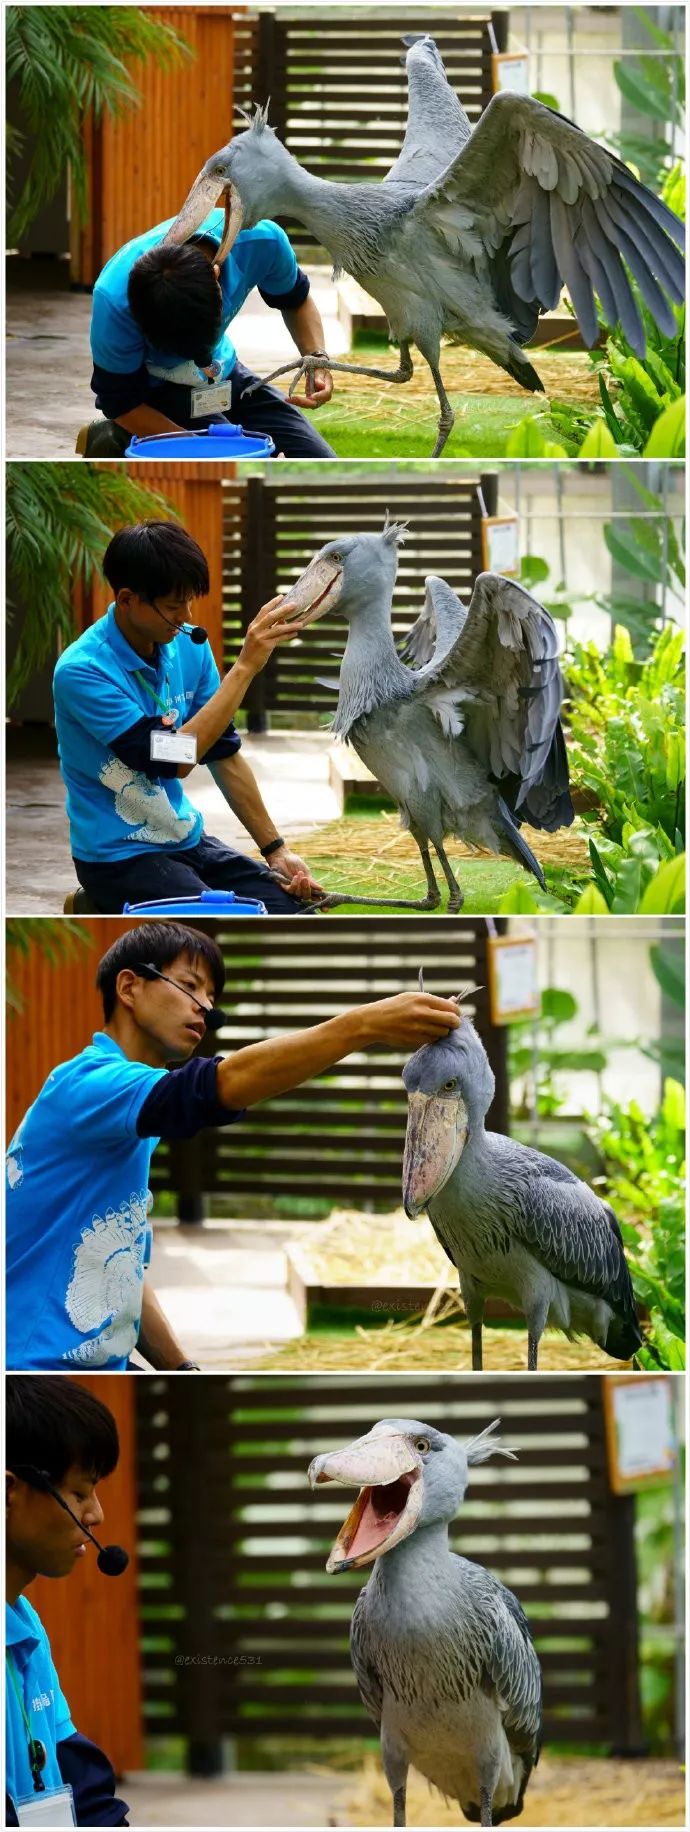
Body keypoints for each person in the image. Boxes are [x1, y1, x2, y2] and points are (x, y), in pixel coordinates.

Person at [6, 922, 461, 1373]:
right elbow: (219, 1085)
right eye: (189, 986)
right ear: (129, 986)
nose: (204, 1008)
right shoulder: (87, 1086)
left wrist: (182, 1368)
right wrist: (364, 1025)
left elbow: (121, 1268)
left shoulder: (128, 1118)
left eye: (211, 1000)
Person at [53, 520, 322, 915]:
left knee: (296, 913)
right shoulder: (82, 671)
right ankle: (95, 900)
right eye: (173, 606)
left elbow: (223, 753)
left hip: (187, 840)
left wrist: (277, 851)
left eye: (190, 601)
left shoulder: (190, 647)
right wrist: (245, 668)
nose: (187, 616)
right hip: (117, 857)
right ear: (127, 599)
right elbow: (171, 760)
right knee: (210, 918)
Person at [80, 206, 335, 457]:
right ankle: (121, 438)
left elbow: (295, 299)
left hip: (222, 369)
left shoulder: (261, 241)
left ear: (216, 275)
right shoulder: (113, 299)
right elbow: (120, 402)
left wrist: (317, 359)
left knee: (318, 458)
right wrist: (198, 448)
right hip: (157, 387)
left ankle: (143, 440)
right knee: (230, 455)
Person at [6, 1377, 130, 1826]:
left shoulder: (23, 1621)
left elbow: (80, 1779)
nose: (96, 1514)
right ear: (8, 1492)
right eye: (79, 1493)